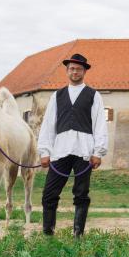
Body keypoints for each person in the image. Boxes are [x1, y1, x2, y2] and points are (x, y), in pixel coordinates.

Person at [38, 53, 108, 237]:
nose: (74, 72)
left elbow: (100, 123)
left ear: (84, 71)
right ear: (67, 71)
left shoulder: (94, 95)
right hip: (60, 151)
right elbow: (48, 124)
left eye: (78, 69)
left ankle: (78, 234)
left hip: (84, 151)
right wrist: (44, 151)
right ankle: (48, 233)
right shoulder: (57, 96)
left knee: (81, 193)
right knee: (49, 194)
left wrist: (98, 152)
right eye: (71, 68)